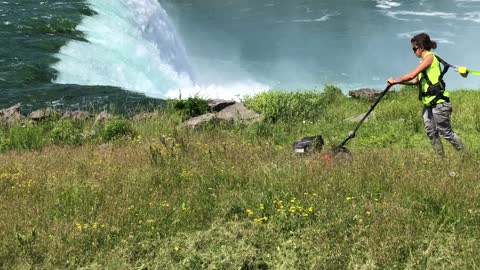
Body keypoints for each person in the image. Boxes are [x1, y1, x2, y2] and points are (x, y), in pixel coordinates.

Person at [387, 32, 464, 156]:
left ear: (421, 47)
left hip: (439, 103)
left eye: (414, 49)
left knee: (445, 132)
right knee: (431, 132)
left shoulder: (429, 58)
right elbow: (414, 81)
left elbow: (412, 75)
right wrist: (395, 84)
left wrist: (395, 80)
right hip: (428, 104)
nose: (413, 52)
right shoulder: (423, 62)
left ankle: (466, 155)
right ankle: (440, 160)